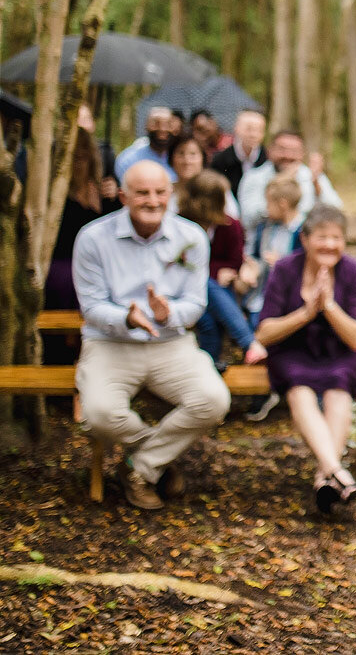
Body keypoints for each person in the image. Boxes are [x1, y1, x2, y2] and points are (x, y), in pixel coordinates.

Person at [71, 160, 231, 510]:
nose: (152, 200)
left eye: (160, 192)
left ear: (170, 194)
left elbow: (195, 303)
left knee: (213, 400)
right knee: (98, 413)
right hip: (110, 344)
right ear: (124, 196)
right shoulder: (93, 238)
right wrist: (127, 318)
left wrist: (168, 314)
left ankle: (140, 466)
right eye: (142, 193)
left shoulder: (191, 237)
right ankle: (157, 461)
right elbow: (93, 306)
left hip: (170, 343)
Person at [246, 204, 356, 513]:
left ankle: (326, 477)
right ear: (305, 239)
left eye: (336, 238)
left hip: (339, 351)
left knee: (339, 390)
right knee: (299, 389)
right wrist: (306, 313)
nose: (330, 245)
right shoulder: (285, 269)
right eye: (322, 237)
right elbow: (264, 333)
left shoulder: (353, 271)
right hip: (293, 350)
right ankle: (336, 472)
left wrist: (328, 306)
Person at [177, 170, 257, 366]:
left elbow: (235, 260)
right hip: (185, 287)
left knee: (209, 319)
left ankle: (211, 364)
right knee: (205, 282)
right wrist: (214, 271)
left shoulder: (230, 225)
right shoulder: (180, 225)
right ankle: (248, 342)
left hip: (221, 290)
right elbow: (182, 262)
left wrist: (221, 271)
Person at [43, 124, 117, 317]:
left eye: (85, 151)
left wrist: (115, 198)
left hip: (102, 261)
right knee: (68, 279)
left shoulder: (105, 190)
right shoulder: (55, 195)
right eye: (75, 153)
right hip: (66, 262)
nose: (80, 159)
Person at [236, 130, 341, 231]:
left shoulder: (312, 176)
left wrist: (317, 188)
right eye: (282, 149)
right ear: (270, 150)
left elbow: (336, 211)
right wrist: (281, 182)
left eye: (294, 151)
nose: (288, 155)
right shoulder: (254, 177)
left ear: (302, 153)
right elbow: (248, 220)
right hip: (262, 243)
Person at [245, 176, 305, 324]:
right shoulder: (265, 227)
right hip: (260, 295)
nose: (266, 208)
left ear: (283, 204)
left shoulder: (305, 232)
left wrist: (282, 264)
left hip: (289, 298)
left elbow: (306, 265)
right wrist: (250, 267)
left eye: (268, 203)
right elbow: (255, 255)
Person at [211, 110, 267, 200]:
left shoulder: (268, 159)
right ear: (236, 129)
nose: (253, 135)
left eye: (259, 130)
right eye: (249, 129)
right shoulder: (220, 160)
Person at [114, 107, 178, 182]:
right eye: (156, 123)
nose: (162, 129)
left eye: (168, 124)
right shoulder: (128, 159)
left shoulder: (181, 159)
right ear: (146, 126)